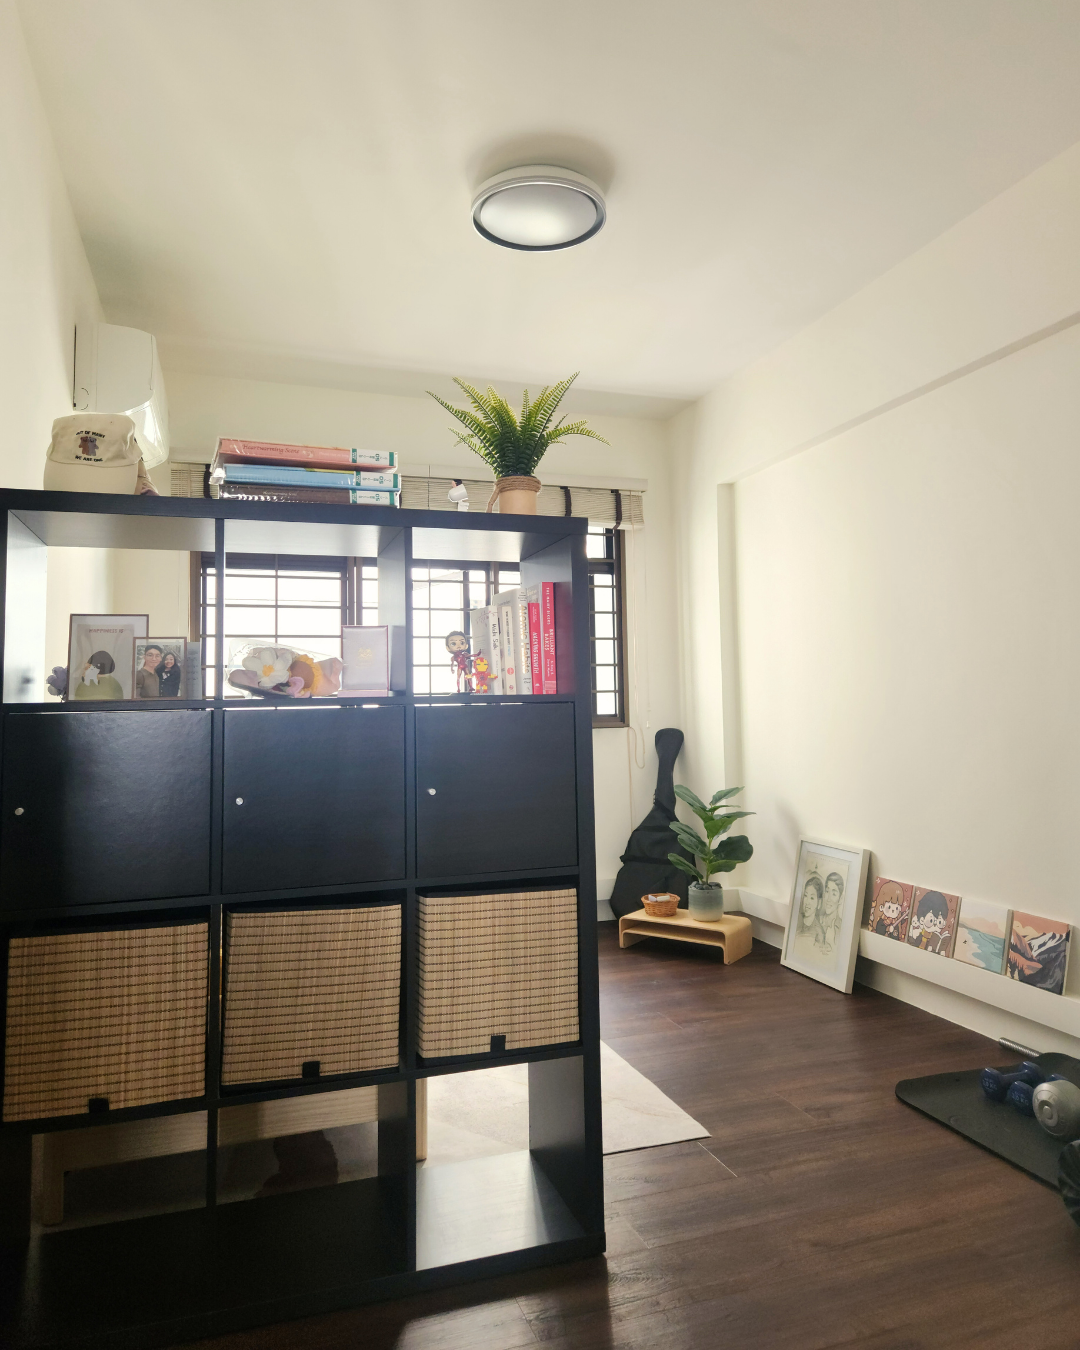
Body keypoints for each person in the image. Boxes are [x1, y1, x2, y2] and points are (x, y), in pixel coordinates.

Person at [817, 871, 845, 953]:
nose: (828, 898)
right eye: (827, 891)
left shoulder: (842, 928)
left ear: (840, 899)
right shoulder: (817, 920)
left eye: (834, 894)